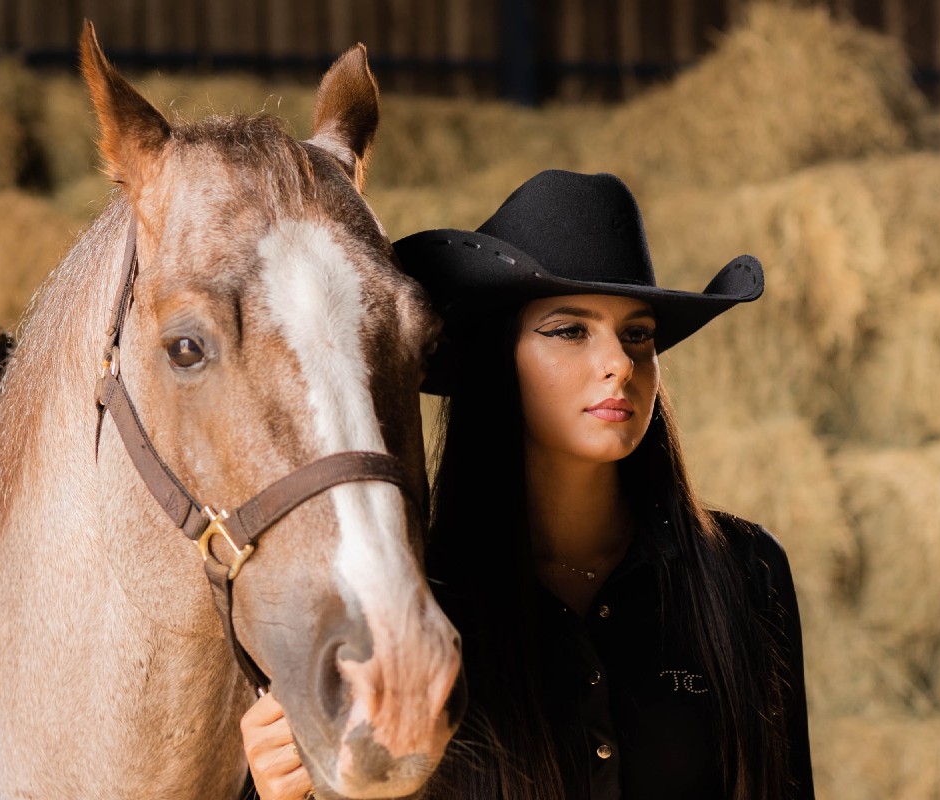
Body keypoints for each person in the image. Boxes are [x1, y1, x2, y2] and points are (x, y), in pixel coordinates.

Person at [242, 170, 814, 799]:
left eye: (638, 335)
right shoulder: (412, 608)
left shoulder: (746, 571)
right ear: (496, 358)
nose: (619, 363)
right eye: (571, 330)